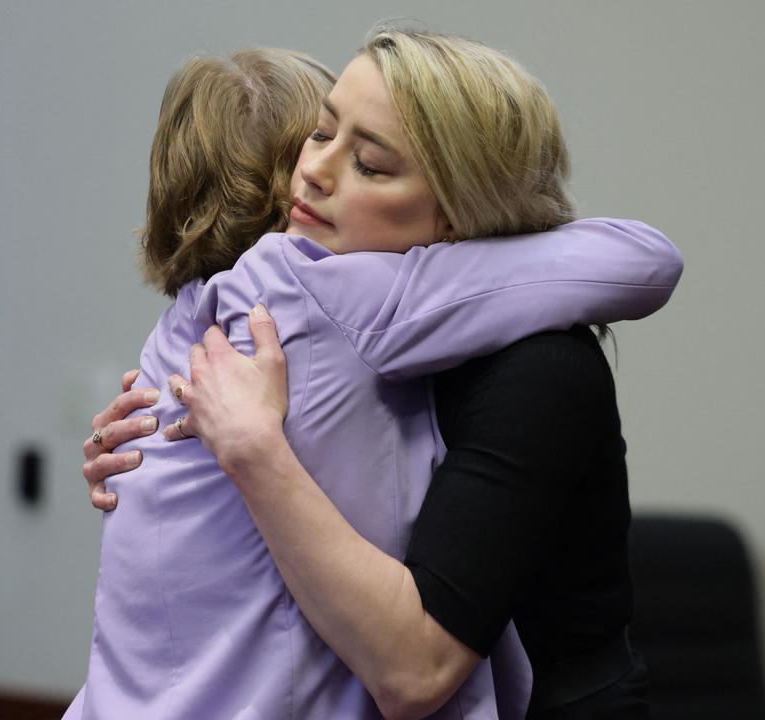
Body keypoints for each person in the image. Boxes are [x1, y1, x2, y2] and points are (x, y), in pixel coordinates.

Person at [83, 29, 680, 719]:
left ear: (458, 217)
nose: (312, 172)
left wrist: (251, 450)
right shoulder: (292, 308)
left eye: (368, 162)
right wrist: (147, 449)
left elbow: (414, 671)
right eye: (319, 133)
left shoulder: (536, 367)